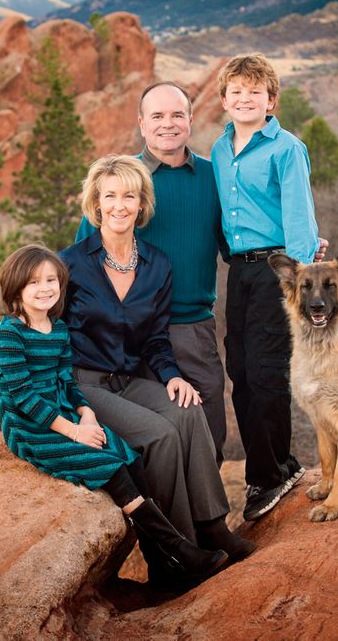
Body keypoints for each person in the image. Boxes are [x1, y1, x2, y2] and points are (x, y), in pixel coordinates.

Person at [0, 244, 227, 583]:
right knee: (111, 468)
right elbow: (21, 395)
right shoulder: (10, 334)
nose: (44, 289)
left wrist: (87, 415)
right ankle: (180, 552)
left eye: (51, 280)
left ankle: (171, 557)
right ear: (16, 290)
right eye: (33, 283)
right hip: (32, 428)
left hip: (64, 413)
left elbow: (67, 381)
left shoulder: (58, 330)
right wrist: (72, 431)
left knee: (129, 457)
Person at [60, 155, 254, 582]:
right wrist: (18, 397)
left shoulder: (156, 265)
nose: (119, 205)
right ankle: (175, 556)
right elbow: (41, 330)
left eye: (128, 195)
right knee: (161, 437)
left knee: (188, 411)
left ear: (142, 202)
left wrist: (173, 376)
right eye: (109, 196)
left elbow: (154, 340)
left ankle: (212, 527)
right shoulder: (70, 264)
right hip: (82, 385)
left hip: (129, 380)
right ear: (95, 203)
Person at [76, 82, 229, 465]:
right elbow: (79, 266)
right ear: (142, 124)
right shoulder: (121, 182)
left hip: (191, 328)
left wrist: (300, 244)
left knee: (208, 427)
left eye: (177, 115)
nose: (168, 124)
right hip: (126, 335)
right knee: (149, 439)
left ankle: (207, 522)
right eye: (157, 116)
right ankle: (158, 522)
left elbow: (238, 243)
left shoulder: (214, 178)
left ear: (191, 121)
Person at [211, 54, 321, 522]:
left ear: (270, 100)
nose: (244, 99)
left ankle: (273, 473)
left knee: (265, 371)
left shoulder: (286, 149)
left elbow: (300, 217)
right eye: (236, 92)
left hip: (278, 269)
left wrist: (298, 277)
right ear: (223, 100)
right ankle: (269, 469)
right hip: (238, 272)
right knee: (239, 368)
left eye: (254, 92)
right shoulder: (218, 151)